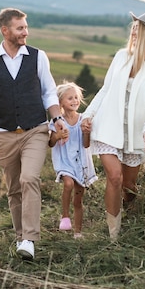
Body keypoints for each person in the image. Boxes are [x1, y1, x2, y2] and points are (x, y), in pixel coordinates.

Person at [0, 7, 66, 261]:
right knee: (14, 189)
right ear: (5, 30)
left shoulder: (38, 57)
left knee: (29, 178)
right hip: (4, 134)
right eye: (20, 28)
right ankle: (21, 236)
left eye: (26, 27)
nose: (26, 32)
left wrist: (57, 118)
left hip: (36, 129)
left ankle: (30, 239)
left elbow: (49, 92)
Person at [81, 12, 145, 241]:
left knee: (129, 186)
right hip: (108, 127)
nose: (133, 30)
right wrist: (88, 114)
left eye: (139, 27)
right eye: (133, 25)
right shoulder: (121, 57)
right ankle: (114, 235)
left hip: (135, 134)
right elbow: (105, 89)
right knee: (114, 177)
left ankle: (130, 211)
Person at [48, 82, 97, 239]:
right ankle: (65, 215)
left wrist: (87, 132)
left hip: (81, 163)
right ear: (61, 102)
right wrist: (57, 135)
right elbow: (50, 143)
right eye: (70, 98)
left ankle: (78, 232)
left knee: (78, 199)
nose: (75, 101)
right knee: (68, 184)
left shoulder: (83, 120)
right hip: (64, 162)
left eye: (76, 97)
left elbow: (86, 144)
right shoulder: (57, 121)